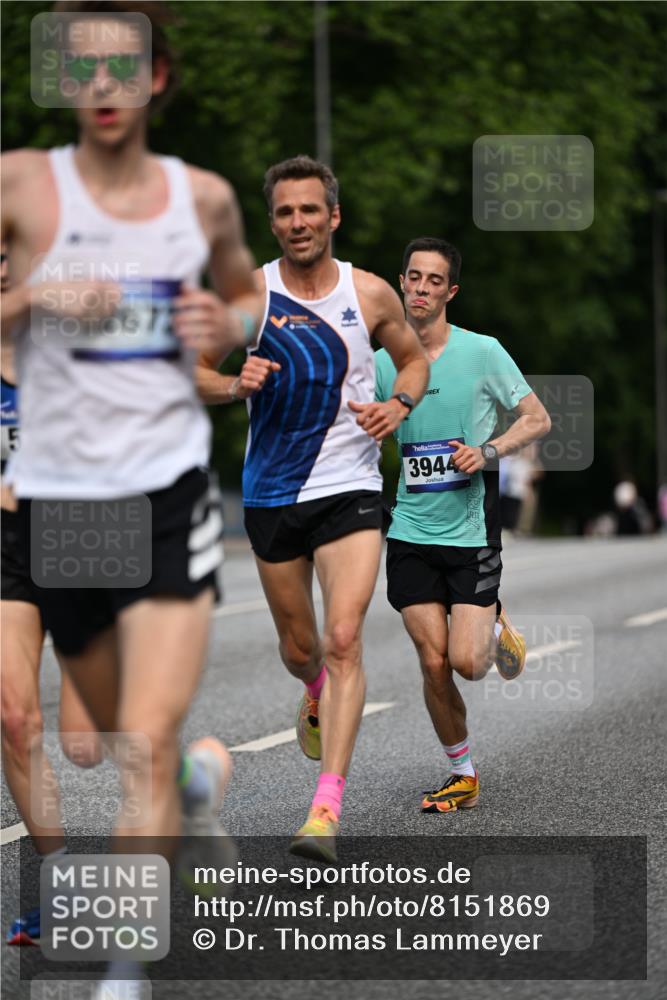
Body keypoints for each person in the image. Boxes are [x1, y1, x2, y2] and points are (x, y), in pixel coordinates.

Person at [1, 0, 259, 981]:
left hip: (163, 500)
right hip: (57, 506)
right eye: (85, 69)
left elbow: (242, 299)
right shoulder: (22, 184)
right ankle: (196, 787)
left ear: (156, 80)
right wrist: (35, 297)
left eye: (124, 68)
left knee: (138, 738)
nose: (103, 86)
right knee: (101, 743)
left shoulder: (202, 199)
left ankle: (121, 969)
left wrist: (218, 318)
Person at [198, 155, 429, 862]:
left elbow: (413, 359)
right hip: (272, 494)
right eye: (284, 212)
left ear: (333, 216)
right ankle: (314, 689)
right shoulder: (249, 297)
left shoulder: (370, 294)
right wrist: (235, 382)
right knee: (301, 651)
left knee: (343, 637)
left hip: (349, 489)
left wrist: (398, 402)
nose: (298, 222)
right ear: (272, 222)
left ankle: (324, 810)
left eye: (310, 210)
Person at [375, 237, 551, 813]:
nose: (422, 289)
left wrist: (489, 450)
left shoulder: (483, 352)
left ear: (450, 291)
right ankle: (463, 773)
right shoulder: (380, 362)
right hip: (409, 530)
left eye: (434, 281)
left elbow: (536, 418)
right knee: (432, 660)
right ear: (401, 282)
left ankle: (494, 620)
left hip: (471, 530)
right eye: (414, 277)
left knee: (468, 664)